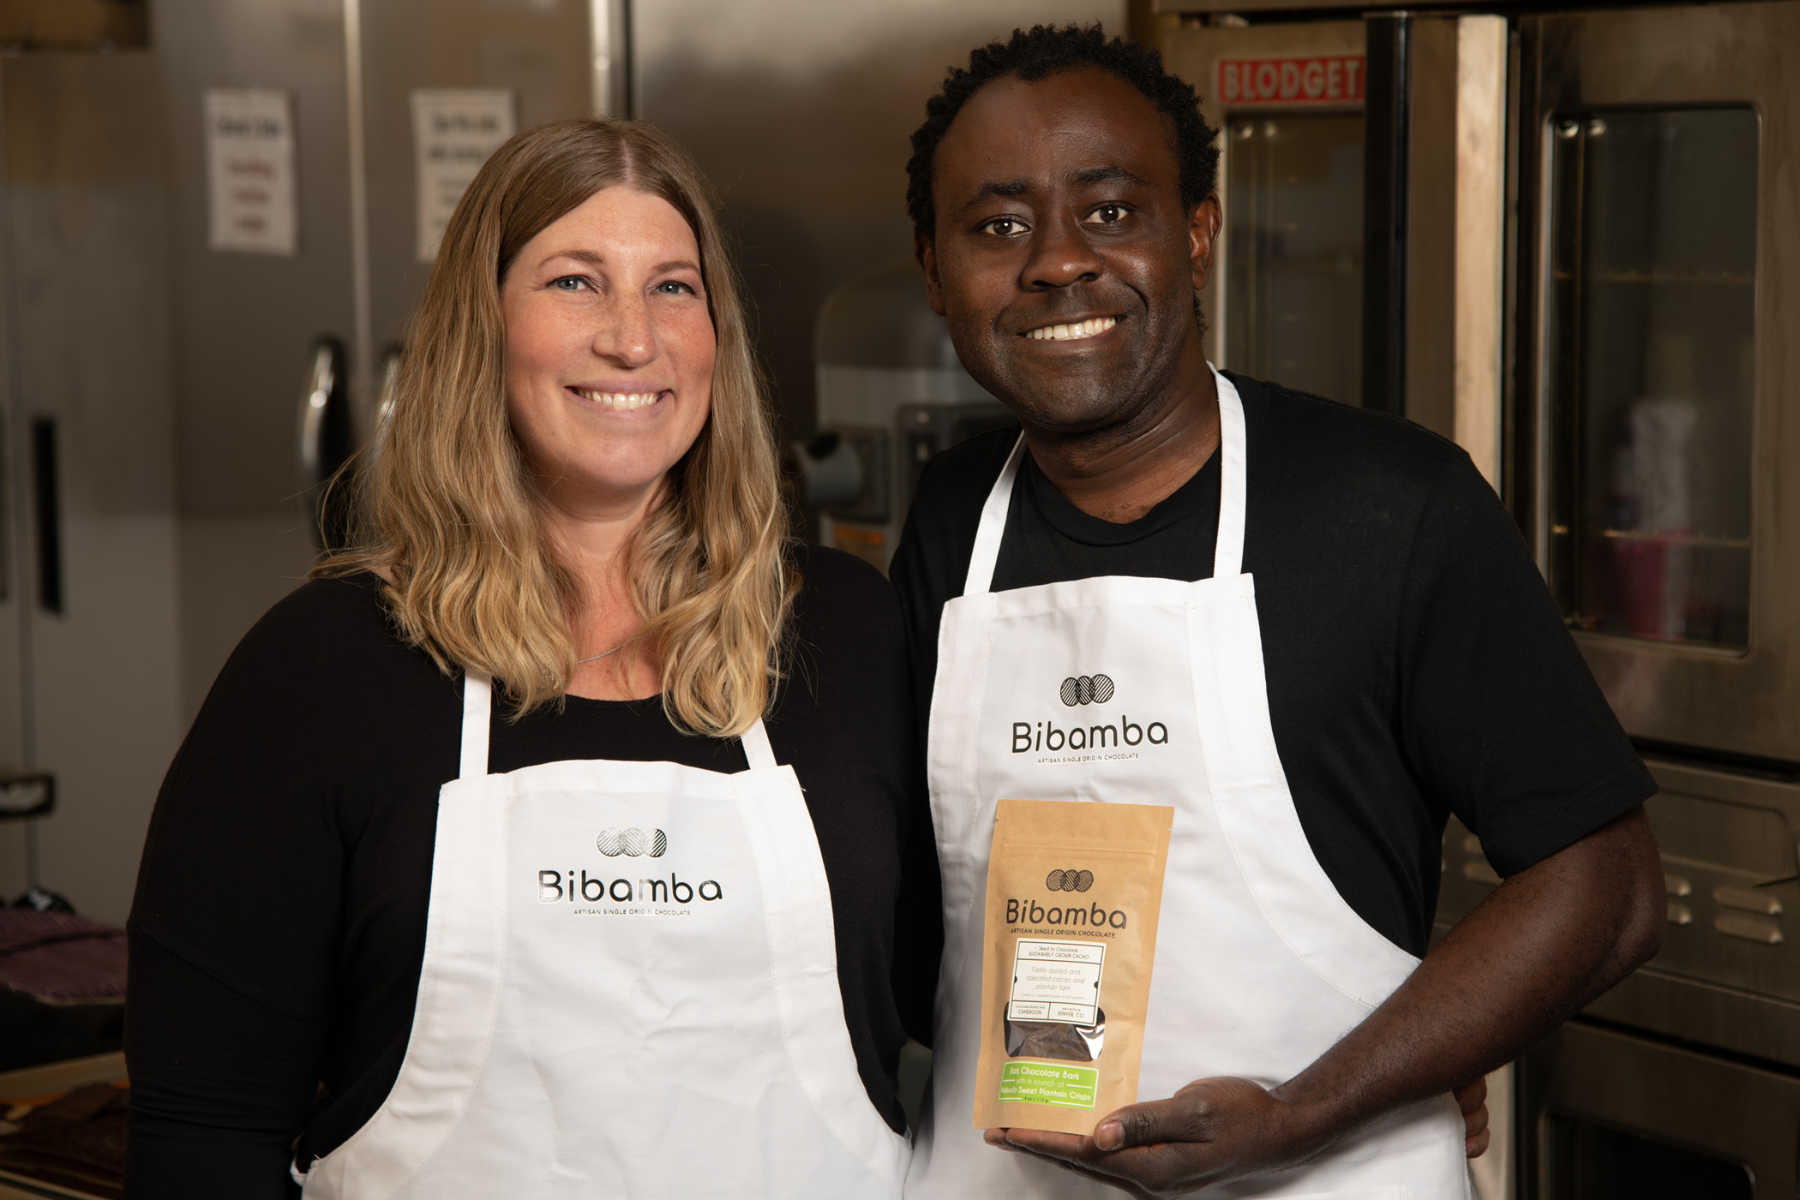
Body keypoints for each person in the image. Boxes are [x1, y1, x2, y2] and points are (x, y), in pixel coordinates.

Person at [891, 26, 1665, 1199]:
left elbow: (1603, 886)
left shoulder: (1389, 505)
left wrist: (1319, 1104)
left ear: (1196, 234)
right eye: (998, 226)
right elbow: (900, 909)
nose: (1056, 263)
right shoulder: (952, 519)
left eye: (1110, 211)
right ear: (935, 270)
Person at [124, 118, 936, 1198]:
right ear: (484, 328)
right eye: (574, 282)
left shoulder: (845, 634)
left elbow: (969, 996)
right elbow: (203, 1132)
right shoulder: (322, 672)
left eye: (674, 289)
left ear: (716, 338)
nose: (632, 339)